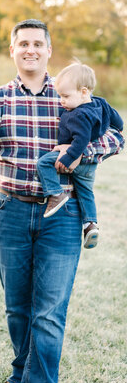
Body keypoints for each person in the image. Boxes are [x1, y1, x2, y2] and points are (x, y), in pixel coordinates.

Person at [0, 19, 124, 383]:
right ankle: (19, 376)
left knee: (49, 312)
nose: (30, 49)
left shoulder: (72, 95)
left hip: (61, 215)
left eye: (37, 44)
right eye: (22, 43)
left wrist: (86, 153)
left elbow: (117, 135)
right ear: (13, 51)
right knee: (17, 307)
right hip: (10, 210)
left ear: (48, 50)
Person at [37, 61, 124, 248]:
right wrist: (119, 128)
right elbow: (117, 119)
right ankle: (90, 225)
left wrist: (68, 158)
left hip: (74, 154)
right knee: (85, 192)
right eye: (60, 96)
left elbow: (81, 140)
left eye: (66, 96)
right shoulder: (100, 102)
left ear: (84, 92)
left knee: (44, 163)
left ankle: (55, 194)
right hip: (90, 165)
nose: (62, 101)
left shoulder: (78, 115)